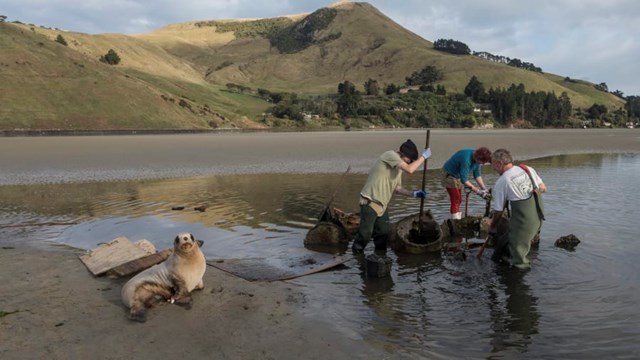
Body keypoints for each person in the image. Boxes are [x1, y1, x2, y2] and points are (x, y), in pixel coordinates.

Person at [351, 139, 432, 254]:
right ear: (404, 155)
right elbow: (410, 170)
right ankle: (357, 255)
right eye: (409, 160)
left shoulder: (398, 169)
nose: (409, 163)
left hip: (382, 205)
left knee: (383, 233)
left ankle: (380, 255)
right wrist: (423, 157)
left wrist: (413, 194)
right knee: (365, 234)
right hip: (370, 201)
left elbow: (397, 188)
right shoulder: (390, 155)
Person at [488, 148, 547, 269]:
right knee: (506, 241)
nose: (493, 168)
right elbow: (543, 188)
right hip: (538, 218)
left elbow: (499, 212)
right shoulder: (527, 168)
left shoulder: (502, 181)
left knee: (519, 258)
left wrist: (492, 227)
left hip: (524, 223)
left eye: (493, 165)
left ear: (499, 164)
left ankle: (517, 282)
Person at [441, 147, 492, 220]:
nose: (483, 164)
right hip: (448, 176)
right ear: (478, 158)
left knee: (459, 199)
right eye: (483, 162)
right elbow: (464, 180)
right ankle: (455, 220)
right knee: (456, 198)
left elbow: (477, 175)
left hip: (457, 176)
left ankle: (456, 218)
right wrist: (478, 191)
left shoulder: (476, 159)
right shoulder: (466, 160)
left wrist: (484, 188)